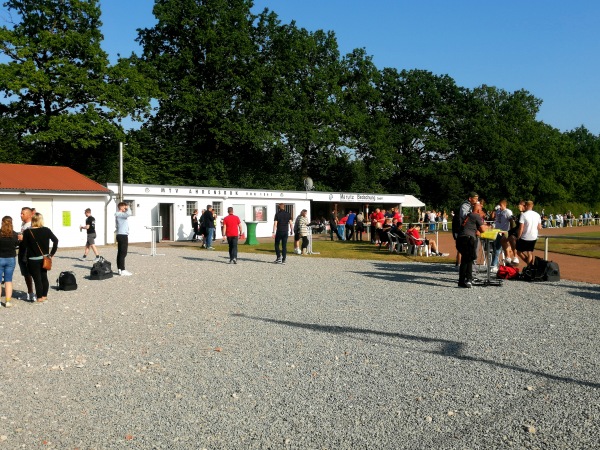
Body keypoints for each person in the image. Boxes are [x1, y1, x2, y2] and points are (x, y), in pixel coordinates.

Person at [21, 213, 58, 302]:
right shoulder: (46, 230)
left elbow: (24, 246)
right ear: (41, 220)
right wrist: (51, 254)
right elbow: (56, 241)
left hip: (32, 259)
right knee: (44, 277)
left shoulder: (27, 232)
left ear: (32, 220)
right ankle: (44, 295)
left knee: (37, 279)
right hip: (44, 258)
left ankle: (39, 297)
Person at [456, 203, 487, 288]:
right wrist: (488, 227)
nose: (482, 213)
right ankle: (463, 280)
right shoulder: (476, 216)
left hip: (460, 239)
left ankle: (468, 279)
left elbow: (474, 228)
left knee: (468, 258)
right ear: (478, 210)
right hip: (467, 239)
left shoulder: (469, 215)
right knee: (467, 260)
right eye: (481, 210)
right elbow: (483, 229)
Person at [490, 199, 514, 271]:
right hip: (497, 231)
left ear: (504, 205)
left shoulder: (508, 212)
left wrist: (511, 231)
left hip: (504, 232)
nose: (499, 206)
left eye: (501, 205)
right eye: (499, 205)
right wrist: (494, 210)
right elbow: (492, 217)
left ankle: (494, 265)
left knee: (499, 248)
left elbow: (511, 221)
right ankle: (494, 264)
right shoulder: (498, 211)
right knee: (496, 248)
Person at [516, 200, 542, 267]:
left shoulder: (524, 215)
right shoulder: (537, 215)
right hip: (533, 236)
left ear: (526, 206)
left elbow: (521, 228)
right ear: (532, 206)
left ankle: (529, 265)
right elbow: (539, 227)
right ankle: (530, 266)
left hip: (525, 236)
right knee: (530, 252)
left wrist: (518, 236)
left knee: (518, 251)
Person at [0, 216, 19, 307]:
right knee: (8, 280)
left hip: (0, 258)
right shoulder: (15, 234)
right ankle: (7, 301)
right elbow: (17, 244)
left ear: (2, 223)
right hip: (10, 259)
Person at [115, 201, 133, 276]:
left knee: (120, 253)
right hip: (122, 235)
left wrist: (126, 208)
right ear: (121, 207)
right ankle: (122, 269)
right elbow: (129, 213)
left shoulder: (119, 214)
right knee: (123, 253)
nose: (125, 208)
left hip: (121, 234)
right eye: (124, 207)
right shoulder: (120, 214)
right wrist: (128, 207)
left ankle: (119, 269)